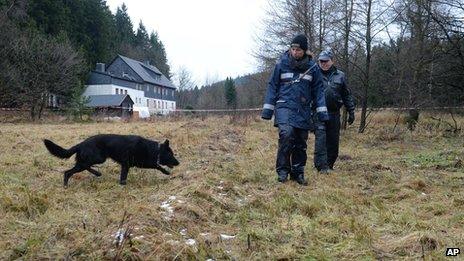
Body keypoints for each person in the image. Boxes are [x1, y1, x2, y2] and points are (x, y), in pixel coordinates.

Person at [261, 34, 329, 186]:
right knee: (286, 135)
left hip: (303, 109)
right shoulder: (281, 65)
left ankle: (298, 173)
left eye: (298, 50)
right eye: (292, 49)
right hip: (284, 106)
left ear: (304, 50)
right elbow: (272, 86)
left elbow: (318, 91)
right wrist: (268, 109)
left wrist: (322, 112)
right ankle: (283, 172)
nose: (295, 52)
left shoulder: (313, 68)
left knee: (300, 142)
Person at [313, 49, 356, 172]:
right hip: (318, 113)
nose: (323, 63)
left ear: (332, 61)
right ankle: (321, 166)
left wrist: (351, 111)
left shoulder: (340, 75)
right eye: (321, 61)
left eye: (326, 61)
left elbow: (346, 95)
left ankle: (329, 165)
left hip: (334, 113)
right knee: (321, 139)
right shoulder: (314, 74)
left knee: (333, 141)